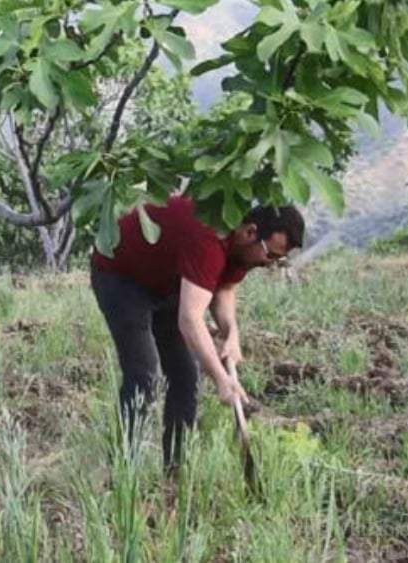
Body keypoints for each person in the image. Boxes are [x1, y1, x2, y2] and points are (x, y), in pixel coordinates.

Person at [89, 195, 304, 471]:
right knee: (143, 373)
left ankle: (176, 470)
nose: (268, 263)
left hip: (167, 281)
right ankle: (123, 470)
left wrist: (231, 333)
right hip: (121, 276)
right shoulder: (208, 238)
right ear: (250, 232)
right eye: (270, 255)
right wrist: (221, 380)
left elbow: (224, 289)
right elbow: (190, 320)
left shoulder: (242, 247)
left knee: (186, 376)